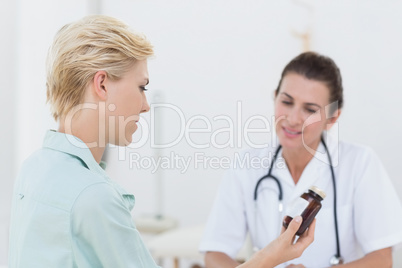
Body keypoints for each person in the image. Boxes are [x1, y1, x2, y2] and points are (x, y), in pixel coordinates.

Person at [8, 15, 315, 268]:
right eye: (142, 87)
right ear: (101, 84)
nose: (145, 105)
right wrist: (271, 257)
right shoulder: (93, 196)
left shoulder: (34, 169)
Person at [200, 52, 402, 267]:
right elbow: (215, 253)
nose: (293, 119)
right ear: (275, 96)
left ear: (332, 118)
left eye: (310, 110)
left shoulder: (360, 163)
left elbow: (381, 259)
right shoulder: (246, 163)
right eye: (287, 102)